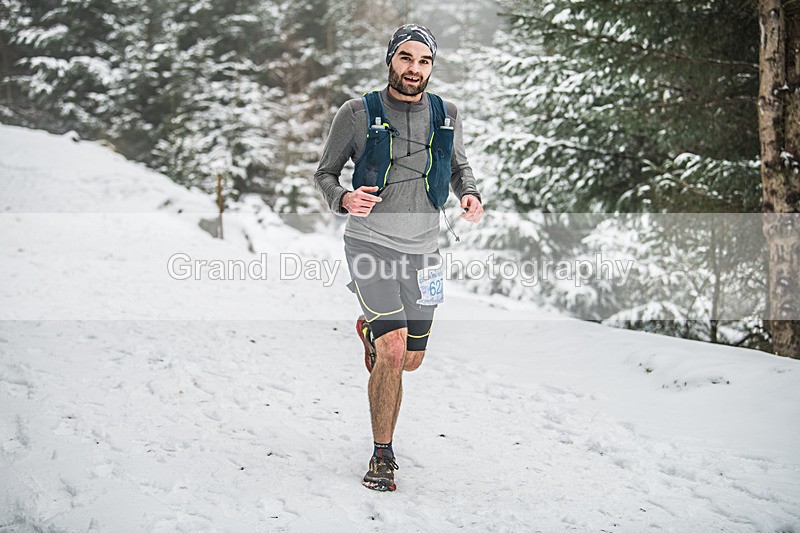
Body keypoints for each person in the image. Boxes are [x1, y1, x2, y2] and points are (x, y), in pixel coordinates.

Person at [314, 23, 483, 492]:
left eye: (424, 61)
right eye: (406, 58)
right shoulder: (356, 113)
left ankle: (371, 331)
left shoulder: (446, 112)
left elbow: (458, 164)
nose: (415, 69)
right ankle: (382, 455)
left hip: (426, 251)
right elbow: (325, 174)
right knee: (393, 350)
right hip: (370, 243)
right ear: (391, 60)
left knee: (410, 358)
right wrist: (343, 200)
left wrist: (469, 194)